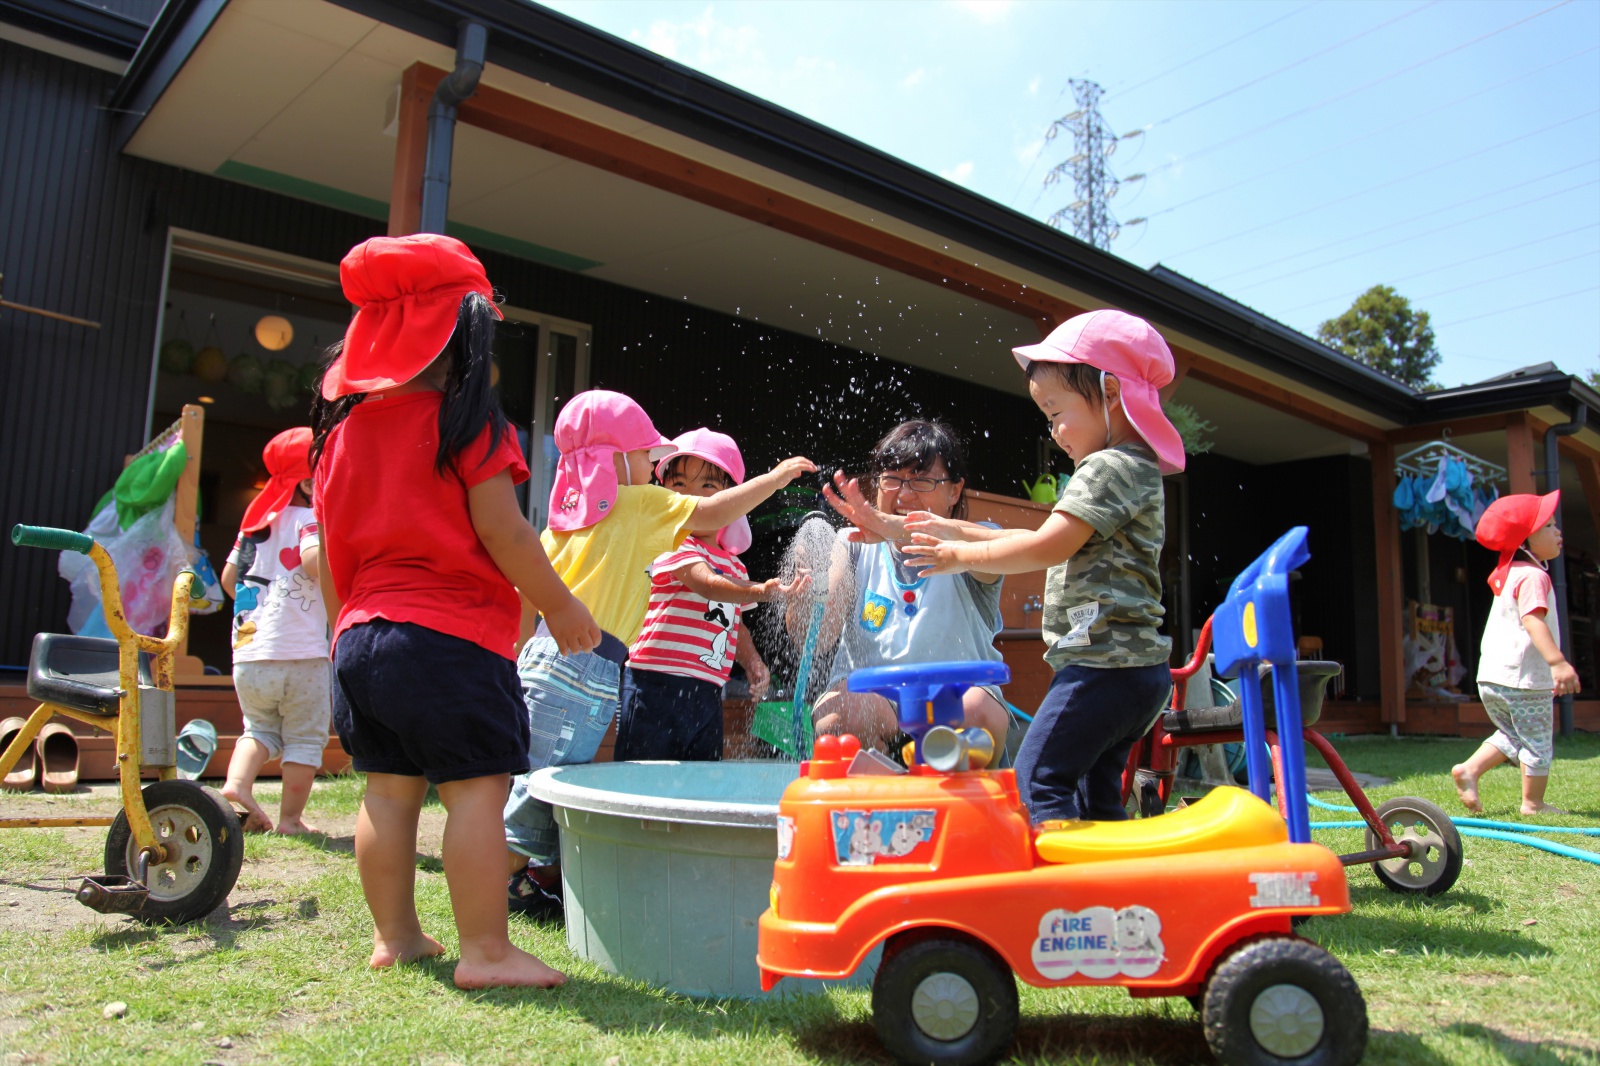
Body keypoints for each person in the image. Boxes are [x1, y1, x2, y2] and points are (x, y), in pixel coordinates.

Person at [312, 233, 600, 989]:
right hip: (447, 640)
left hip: (361, 640)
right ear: (462, 335)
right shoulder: (467, 424)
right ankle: (486, 950)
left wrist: (346, 634)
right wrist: (561, 607)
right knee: (479, 788)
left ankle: (397, 936)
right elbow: (505, 532)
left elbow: (333, 557)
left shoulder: (339, 437)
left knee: (387, 789)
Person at [501, 391, 815, 915]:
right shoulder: (649, 511)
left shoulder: (569, 521)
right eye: (651, 457)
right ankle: (502, 874)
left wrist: (511, 658)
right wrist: (777, 479)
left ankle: (531, 877)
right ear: (616, 459)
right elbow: (709, 536)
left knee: (549, 779)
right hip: (615, 672)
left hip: (586, 668)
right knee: (546, 784)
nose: (654, 467)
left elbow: (526, 589)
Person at [902, 310, 1184, 823]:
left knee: (1038, 781)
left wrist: (959, 556)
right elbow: (1043, 539)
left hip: (1102, 669)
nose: (1053, 431)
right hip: (1134, 673)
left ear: (1110, 391)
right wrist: (957, 530)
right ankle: (1110, 891)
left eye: (1056, 412)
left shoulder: (1106, 466)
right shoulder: (1132, 466)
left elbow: (1048, 547)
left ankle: (1050, 894)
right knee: (1097, 800)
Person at [807, 420, 1010, 755]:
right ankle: (871, 797)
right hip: (872, 705)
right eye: (892, 479)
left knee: (975, 711)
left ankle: (959, 801)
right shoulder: (851, 544)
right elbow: (819, 633)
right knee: (846, 712)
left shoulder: (976, 541)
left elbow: (1015, 547)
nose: (903, 494)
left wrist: (895, 527)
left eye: (922, 480)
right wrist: (806, 594)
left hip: (957, 703)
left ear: (955, 491)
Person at [617, 429, 803, 761]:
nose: (692, 499)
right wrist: (760, 591)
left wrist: (753, 662)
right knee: (641, 774)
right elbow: (705, 583)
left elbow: (735, 625)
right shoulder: (669, 541)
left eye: (707, 487)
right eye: (679, 485)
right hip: (654, 683)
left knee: (698, 775)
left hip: (707, 691)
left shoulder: (735, 566)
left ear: (730, 499)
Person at [218, 427, 328, 836]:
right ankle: (290, 820)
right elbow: (315, 563)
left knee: (259, 730)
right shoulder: (309, 518)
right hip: (302, 655)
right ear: (306, 482)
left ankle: (237, 785)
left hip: (249, 655)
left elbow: (231, 579)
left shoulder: (253, 527)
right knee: (303, 739)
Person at [1452, 491, 1576, 815]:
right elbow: (1532, 621)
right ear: (1525, 541)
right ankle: (1533, 804)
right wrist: (1558, 662)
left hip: (1492, 676)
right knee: (1536, 739)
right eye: (1548, 526)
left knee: (1513, 733)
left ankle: (1469, 770)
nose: (1558, 532)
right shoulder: (1534, 576)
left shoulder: (1510, 574)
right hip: (1523, 679)